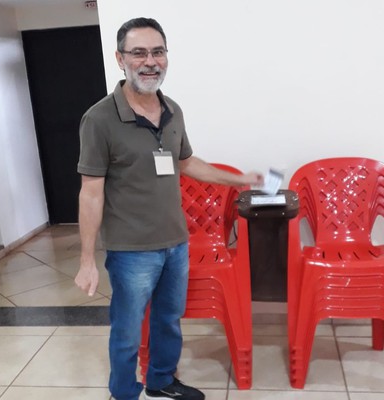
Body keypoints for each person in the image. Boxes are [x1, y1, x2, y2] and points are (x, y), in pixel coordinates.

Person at [75, 17, 263, 400]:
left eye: (157, 52)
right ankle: (124, 392)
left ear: (166, 56)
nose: (150, 61)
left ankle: (161, 380)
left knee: (168, 320)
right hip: (131, 251)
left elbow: (186, 162)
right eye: (138, 53)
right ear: (120, 59)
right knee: (128, 330)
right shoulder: (99, 119)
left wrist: (239, 179)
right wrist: (86, 259)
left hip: (176, 243)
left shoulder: (172, 109)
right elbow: (91, 193)